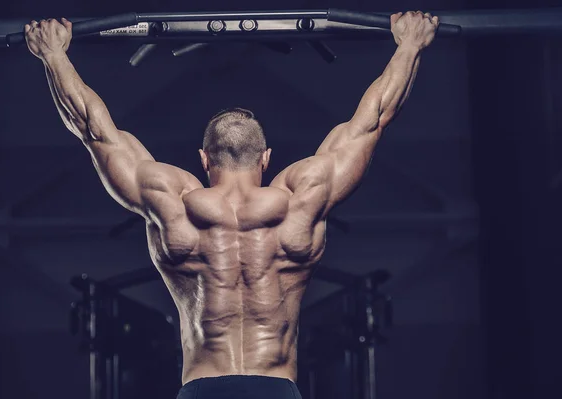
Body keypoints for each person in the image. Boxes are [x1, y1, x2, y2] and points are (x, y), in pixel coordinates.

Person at [24, 10, 438, 399]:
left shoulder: (172, 202)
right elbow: (373, 119)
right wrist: (409, 46)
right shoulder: (301, 200)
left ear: (204, 160)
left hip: (204, 388)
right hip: (275, 388)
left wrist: (53, 54)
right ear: (266, 158)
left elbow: (94, 130)